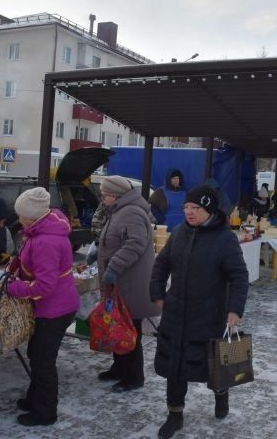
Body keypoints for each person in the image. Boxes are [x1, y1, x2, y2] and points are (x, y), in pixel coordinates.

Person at [150, 185, 249, 439]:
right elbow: (161, 264)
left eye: (195, 208)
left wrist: (234, 310)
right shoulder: (180, 233)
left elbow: (239, 276)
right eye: (186, 207)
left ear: (209, 210)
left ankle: (221, 395)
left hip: (209, 316)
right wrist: (158, 293)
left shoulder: (225, 239)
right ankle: (174, 415)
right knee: (175, 367)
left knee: (214, 366)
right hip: (176, 314)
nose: (189, 212)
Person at [6, 187, 80, 426]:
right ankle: (34, 399)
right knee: (37, 354)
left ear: (32, 216)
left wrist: (14, 288)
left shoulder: (45, 241)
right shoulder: (42, 231)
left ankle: (45, 412)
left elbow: (44, 287)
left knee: (42, 360)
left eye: (21, 215)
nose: (18, 219)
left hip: (54, 309)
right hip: (56, 305)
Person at [96, 176, 159, 392]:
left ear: (115, 195)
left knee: (130, 330)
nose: (102, 197)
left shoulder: (130, 211)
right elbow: (118, 239)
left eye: (104, 194)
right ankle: (119, 368)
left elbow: (135, 244)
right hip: (123, 282)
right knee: (117, 325)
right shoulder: (121, 209)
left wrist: (112, 268)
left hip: (130, 282)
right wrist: (99, 249)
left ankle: (134, 377)